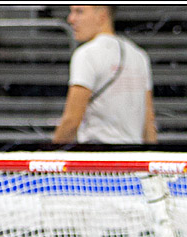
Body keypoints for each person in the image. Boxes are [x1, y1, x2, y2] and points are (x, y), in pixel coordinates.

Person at [52, 5, 157, 144]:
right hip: (133, 157)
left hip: (99, 157)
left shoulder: (87, 54)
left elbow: (71, 121)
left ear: (102, 15)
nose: (71, 19)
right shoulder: (139, 55)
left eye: (79, 11)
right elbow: (149, 121)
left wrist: (50, 157)